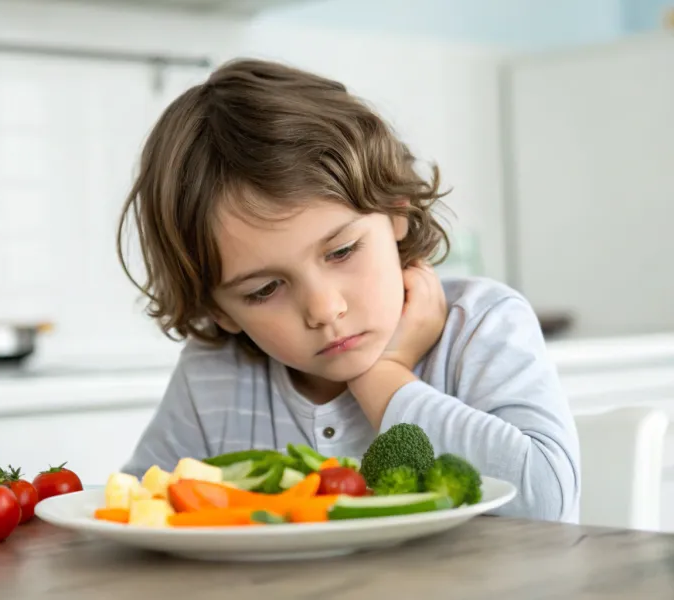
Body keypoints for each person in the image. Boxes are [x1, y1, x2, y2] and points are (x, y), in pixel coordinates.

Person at [116, 58, 580, 523]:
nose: (324, 308)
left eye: (341, 252)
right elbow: (140, 513)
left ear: (397, 211)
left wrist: (386, 377)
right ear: (218, 308)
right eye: (264, 289)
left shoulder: (480, 326)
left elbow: (545, 503)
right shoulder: (215, 374)